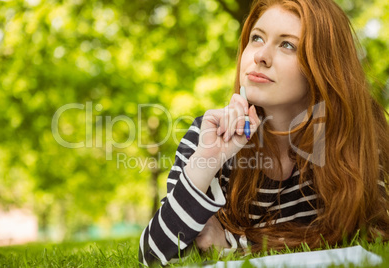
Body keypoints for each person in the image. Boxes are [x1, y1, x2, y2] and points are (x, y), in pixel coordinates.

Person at [138, 0, 389, 266]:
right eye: (256, 38)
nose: (260, 56)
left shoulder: (350, 137)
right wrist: (207, 161)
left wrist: (230, 245)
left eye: (287, 45)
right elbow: (152, 256)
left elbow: (368, 233)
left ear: (322, 66)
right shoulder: (207, 134)